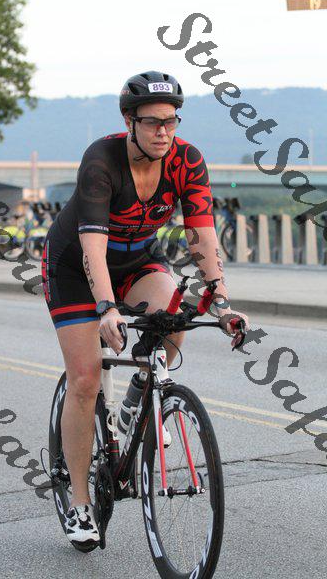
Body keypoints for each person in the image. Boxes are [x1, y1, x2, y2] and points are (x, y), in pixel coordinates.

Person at [41, 70, 249, 549]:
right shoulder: (102, 160)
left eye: (171, 121)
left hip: (138, 260)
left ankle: (139, 395)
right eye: (153, 122)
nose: (163, 131)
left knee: (174, 318)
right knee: (85, 379)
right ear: (129, 122)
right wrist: (106, 308)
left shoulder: (186, 160)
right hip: (75, 264)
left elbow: (201, 235)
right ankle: (79, 503)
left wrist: (221, 301)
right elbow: (92, 247)